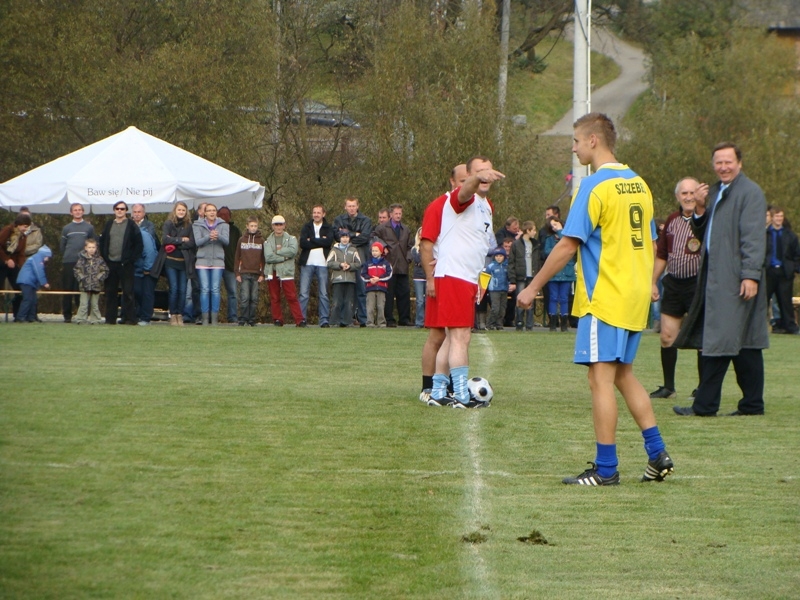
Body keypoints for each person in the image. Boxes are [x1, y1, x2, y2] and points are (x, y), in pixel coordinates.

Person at [518, 112, 673, 485]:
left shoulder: (593, 186)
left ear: (593, 140)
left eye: (575, 141)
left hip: (605, 296)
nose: (573, 148)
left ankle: (606, 470)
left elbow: (567, 246)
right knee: (623, 375)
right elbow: (651, 243)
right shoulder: (639, 184)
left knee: (599, 379)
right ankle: (657, 453)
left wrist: (533, 286)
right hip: (634, 296)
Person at [673, 142, 769, 417]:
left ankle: (705, 406)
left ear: (739, 163)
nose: (723, 167)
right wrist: (700, 208)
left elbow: (753, 238)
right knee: (744, 343)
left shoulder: (750, 193)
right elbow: (703, 235)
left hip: (735, 279)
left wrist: (750, 275)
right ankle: (752, 404)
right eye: (719, 162)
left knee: (719, 343)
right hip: (716, 278)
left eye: (728, 162)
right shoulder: (715, 192)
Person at [422, 155, 504, 409]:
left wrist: (479, 278)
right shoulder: (462, 197)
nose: (486, 175)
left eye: (488, 170)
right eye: (479, 171)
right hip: (455, 275)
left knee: (451, 337)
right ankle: (460, 394)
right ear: (469, 175)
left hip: (465, 277)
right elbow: (465, 191)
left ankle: (438, 391)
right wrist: (476, 179)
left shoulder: (486, 204)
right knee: (461, 337)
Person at [649, 178, 704, 400]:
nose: (688, 197)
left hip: (698, 285)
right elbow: (662, 254)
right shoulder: (672, 220)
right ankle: (668, 387)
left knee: (701, 339)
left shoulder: (707, 219)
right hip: (673, 284)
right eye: (684, 193)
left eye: (692, 193)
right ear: (677, 196)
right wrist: (653, 281)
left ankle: (703, 388)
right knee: (667, 336)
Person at [419, 163, 468, 402]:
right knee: (438, 335)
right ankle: (428, 387)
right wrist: (430, 278)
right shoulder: (438, 206)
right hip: (441, 278)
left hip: (462, 278)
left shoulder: (476, 207)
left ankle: (446, 385)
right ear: (452, 182)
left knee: (455, 335)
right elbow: (426, 244)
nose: (467, 186)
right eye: (463, 181)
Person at [99, 202, 143, 325]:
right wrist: (105, 257)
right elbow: (102, 241)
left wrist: (131, 260)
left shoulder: (131, 225)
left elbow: (139, 245)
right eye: (117, 208)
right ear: (114, 210)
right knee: (110, 292)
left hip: (126, 265)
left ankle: (129, 318)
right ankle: (110, 319)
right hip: (110, 264)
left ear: (126, 211)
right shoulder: (109, 224)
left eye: (122, 209)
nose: (120, 211)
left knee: (128, 292)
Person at [332, 197, 372, 326]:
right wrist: (355, 234)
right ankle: (343, 319)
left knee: (361, 288)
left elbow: (365, 237)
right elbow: (336, 236)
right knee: (344, 289)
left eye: (353, 206)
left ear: (357, 206)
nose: (351, 208)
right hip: (342, 257)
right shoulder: (338, 220)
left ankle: (363, 319)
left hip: (360, 255)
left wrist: (347, 236)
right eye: (349, 206)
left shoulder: (366, 220)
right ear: (345, 207)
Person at [373, 203, 413, 326]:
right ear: (391, 214)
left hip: (402, 265)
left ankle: (404, 319)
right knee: (388, 294)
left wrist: (408, 258)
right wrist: (383, 246)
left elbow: (410, 246)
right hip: (388, 265)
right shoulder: (382, 228)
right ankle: (389, 319)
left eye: (400, 213)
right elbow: (374, 237)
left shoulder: (406, 229)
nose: (398, 216)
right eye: (396, 213)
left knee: (404, 293)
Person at [157, 201, 195, 326]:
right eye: (179, 210)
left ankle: (180, 315)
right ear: (175, 210)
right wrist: (181, 239)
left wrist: (175, 243)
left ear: (186, 212)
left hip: (184, 262)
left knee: (183, 290)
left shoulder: (189, 225)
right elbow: (165, 240)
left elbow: (191, 243)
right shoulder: (168, 223)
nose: (181, 212)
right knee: (173, 288)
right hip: (170, 261)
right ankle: (173, 314)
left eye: (183, 210)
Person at [192, 203, 230, 326]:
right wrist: (209, 236)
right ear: (204, 213)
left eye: (214, 210)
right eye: (209, 210)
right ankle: (204, 318)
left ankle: (214, 319)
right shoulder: (197, 225)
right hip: (202, 261)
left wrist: (218, 236)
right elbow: (198, 242)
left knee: (215, 289)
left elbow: (226, 241)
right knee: (204, 289)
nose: (212, 212)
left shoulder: (224, 225)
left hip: (218, 261)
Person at [264, 215, 304, 326]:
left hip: (286, 271)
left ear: (284, 225)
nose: (278, 227)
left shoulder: (292, 239)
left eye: (280, 224)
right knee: (274, 297)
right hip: (272, 271)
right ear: (272, 226)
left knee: (291, 296)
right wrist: (284, 257)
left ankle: (299, 320)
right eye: (276, 224)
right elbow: (268, 257)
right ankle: (277, 319)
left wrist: (276, 252)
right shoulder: (267, 241)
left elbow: (292, 251)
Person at [764, 206, 800, 334]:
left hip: (785, 272)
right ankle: (759, 327)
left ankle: (790, 326)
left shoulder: (790, 236)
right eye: (777, 216)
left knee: (785, 302)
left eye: (781, 216)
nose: (779, 219)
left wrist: (794, 268)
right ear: (772, 217)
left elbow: (797, 254)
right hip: (769, 271)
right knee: (763, 301)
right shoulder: (764, 234)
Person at [298, 205, 334, 327]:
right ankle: (301, 319)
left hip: (323, 264)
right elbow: (303, 243)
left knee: (323, 293)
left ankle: (324, 321)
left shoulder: (328, 227)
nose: (316, 215)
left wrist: (312, 240)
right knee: (303, 293)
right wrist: (320, 241)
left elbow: (328, 242)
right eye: (314, 212)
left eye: (319, 212)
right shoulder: (306, 227)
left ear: (324, 214)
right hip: (307, 264)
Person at [59, 203, 96, 322]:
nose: (78, 212)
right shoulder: (67, 228)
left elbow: (93, 244)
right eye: (75, 210)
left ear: (83, 212)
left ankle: (81, 315)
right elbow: (62, 246)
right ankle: (67, 316)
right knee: (68, 288)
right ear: (71, 213)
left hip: (84, 262)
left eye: (80, 210)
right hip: (69, 261)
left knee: (81, 289)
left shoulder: (89, 228)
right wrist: (67, 255)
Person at [541, 215, 576, 332]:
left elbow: (568, 247)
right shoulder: (549, 239)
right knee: (553, 297)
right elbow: (547, 252)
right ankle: (553, 323)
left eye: (556, 224)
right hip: (554, 273)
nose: (554, 227)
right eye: (552, 225)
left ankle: (564, 324)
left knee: (564, 298)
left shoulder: (568, 237)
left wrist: (561, 232)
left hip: (567, 273)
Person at [234, 216, 266, 327]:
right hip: (244, 272)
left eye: (255, 226)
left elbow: (264, 258)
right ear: (247, 226)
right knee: (245, 297)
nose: (253, 228)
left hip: (256, 273)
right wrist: (237, 273)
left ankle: (252, 319)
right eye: (251, 226)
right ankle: (243, 318)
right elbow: (237, 257)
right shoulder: (241, 240)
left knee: (254, 298)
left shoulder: (261, 241)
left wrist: (262, 274)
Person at [507, 220, 539, 331]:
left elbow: (537, 261)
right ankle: (519, 322)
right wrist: (512, 279)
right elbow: (511, 262)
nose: (535, 232)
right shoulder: (516, 244)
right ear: (528, 230)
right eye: (533, 230)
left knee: (531, 300)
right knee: (520, 300)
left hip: (532, 276)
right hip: (520, 276)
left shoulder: (535, 244)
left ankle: (530, 324)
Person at [327, 229, 362, 327]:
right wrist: (340, 265)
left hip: (350, 279)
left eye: (346, 237)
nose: (345, 239)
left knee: (349, 302)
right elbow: (328, 262)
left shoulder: (353, 250)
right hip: (337, 279)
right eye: (343, 237)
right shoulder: (334, 250)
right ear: (339, 238)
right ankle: (334, 321)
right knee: (336, 302)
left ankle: (347, 321)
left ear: (349, 238)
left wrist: (350, 266)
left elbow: (359, 263)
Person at [0, 213, 32, 319]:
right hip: (1, 261)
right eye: (25, 226)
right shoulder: (7, 230)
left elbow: (21, 254)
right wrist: (6, 259)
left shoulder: (23, 236)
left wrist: (22, 267)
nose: (25, 229)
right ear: (19, 224)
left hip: (13, 264)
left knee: (19, 288)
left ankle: (18, 315)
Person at [73, 238, 109, 325]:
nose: (91, 249)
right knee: (84, 304)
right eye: (89, 247)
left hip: (96, 285)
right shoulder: (82, 259)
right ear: (85, 248)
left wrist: (98, 278)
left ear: (96, 248)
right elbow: (76, 270)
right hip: (84, 285)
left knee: (94, 304)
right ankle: (81, 319)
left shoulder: (99, 259)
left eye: (93, 247)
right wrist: (82, 278)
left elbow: (105, 270)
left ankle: (95, 320)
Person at [183, 202, 207, 325]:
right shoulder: (191, 224)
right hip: (192, 259)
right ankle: (188, 314)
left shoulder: (213, 225)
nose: (208, 212)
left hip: (205, 260)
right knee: (190, 289)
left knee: (202, 289)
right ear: (199, 212)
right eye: (205, 209)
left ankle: (201, 315)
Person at [15, 244, 51, 323]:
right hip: (26, 281)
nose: (47, 259)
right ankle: (20, 317)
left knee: (33, 300)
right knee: (27, 299)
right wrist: (44, 283)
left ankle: (32, 317)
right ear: (44, 255)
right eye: (47, 256)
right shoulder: (37, 258)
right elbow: (39, 271)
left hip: (30, 282)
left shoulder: (36, 258)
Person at [361, 240, 393, 327]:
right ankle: (370, 322)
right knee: (370, 307)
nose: (374, 252)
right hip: (370, 288)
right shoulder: (367, 263)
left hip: (381, 288)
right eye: (373, 251)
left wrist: (379, 279)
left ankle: (381, 323)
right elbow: (363, 274)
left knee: (380, 306)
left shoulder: (386, 263)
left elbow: (389, 274)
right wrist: (370, 279)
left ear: (381, 252)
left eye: (376, 251)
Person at [216, 207, 240, 323]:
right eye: (221, 214)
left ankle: (232, 317)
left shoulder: (235, 231)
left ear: (230, 216)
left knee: (233, 292)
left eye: (226, 214)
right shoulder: (213, 228)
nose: (223, 217)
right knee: (213, 291)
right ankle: (212, 316)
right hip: (216, 265)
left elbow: (239, 249)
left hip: (230, 266)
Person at [133, 225, 158, 325]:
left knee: (147, 293)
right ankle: (138, 315)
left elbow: (150, 252)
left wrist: (148, 268)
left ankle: (146, 318)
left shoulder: (144, 235)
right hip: (136, 269)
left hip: (147, 269)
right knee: (137, 291)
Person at [484, 247, 513, 330]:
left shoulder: (507, 266)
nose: (498, 258)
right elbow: (486, 277)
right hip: (494, 290)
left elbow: (509, 276)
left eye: (500, 256)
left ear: (504, 256)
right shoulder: (491, 266)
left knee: (502, 308)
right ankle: (489, 324)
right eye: (497, 256)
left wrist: (509, 284)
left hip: (504, 289)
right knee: (495, 308)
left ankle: (499, 324)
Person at [409, 228, 426, 328]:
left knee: (428, 300)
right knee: (420, 301)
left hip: (428, 276)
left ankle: (428, 321)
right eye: (420, 234)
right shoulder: (414, 249)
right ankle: (419, 322)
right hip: (418, 277)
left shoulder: (433, 248)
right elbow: (419, 260)